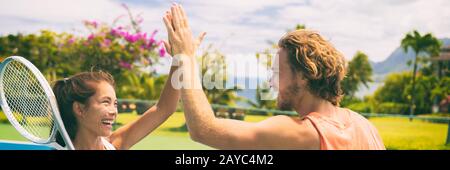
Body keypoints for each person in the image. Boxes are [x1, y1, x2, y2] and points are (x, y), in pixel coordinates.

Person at [162, 3, 385, 150]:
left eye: (277, 72)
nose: (271, 82)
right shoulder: (366, 127)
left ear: (305, 76)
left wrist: (185, 57)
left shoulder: (303, 132)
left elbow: (203, 130)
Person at [52, 53, 182, 150]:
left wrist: (180, 58)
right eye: (105, 102)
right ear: (79, 109)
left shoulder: (114, 144)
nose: (114, 111)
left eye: (115, 103)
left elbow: (164, 108)